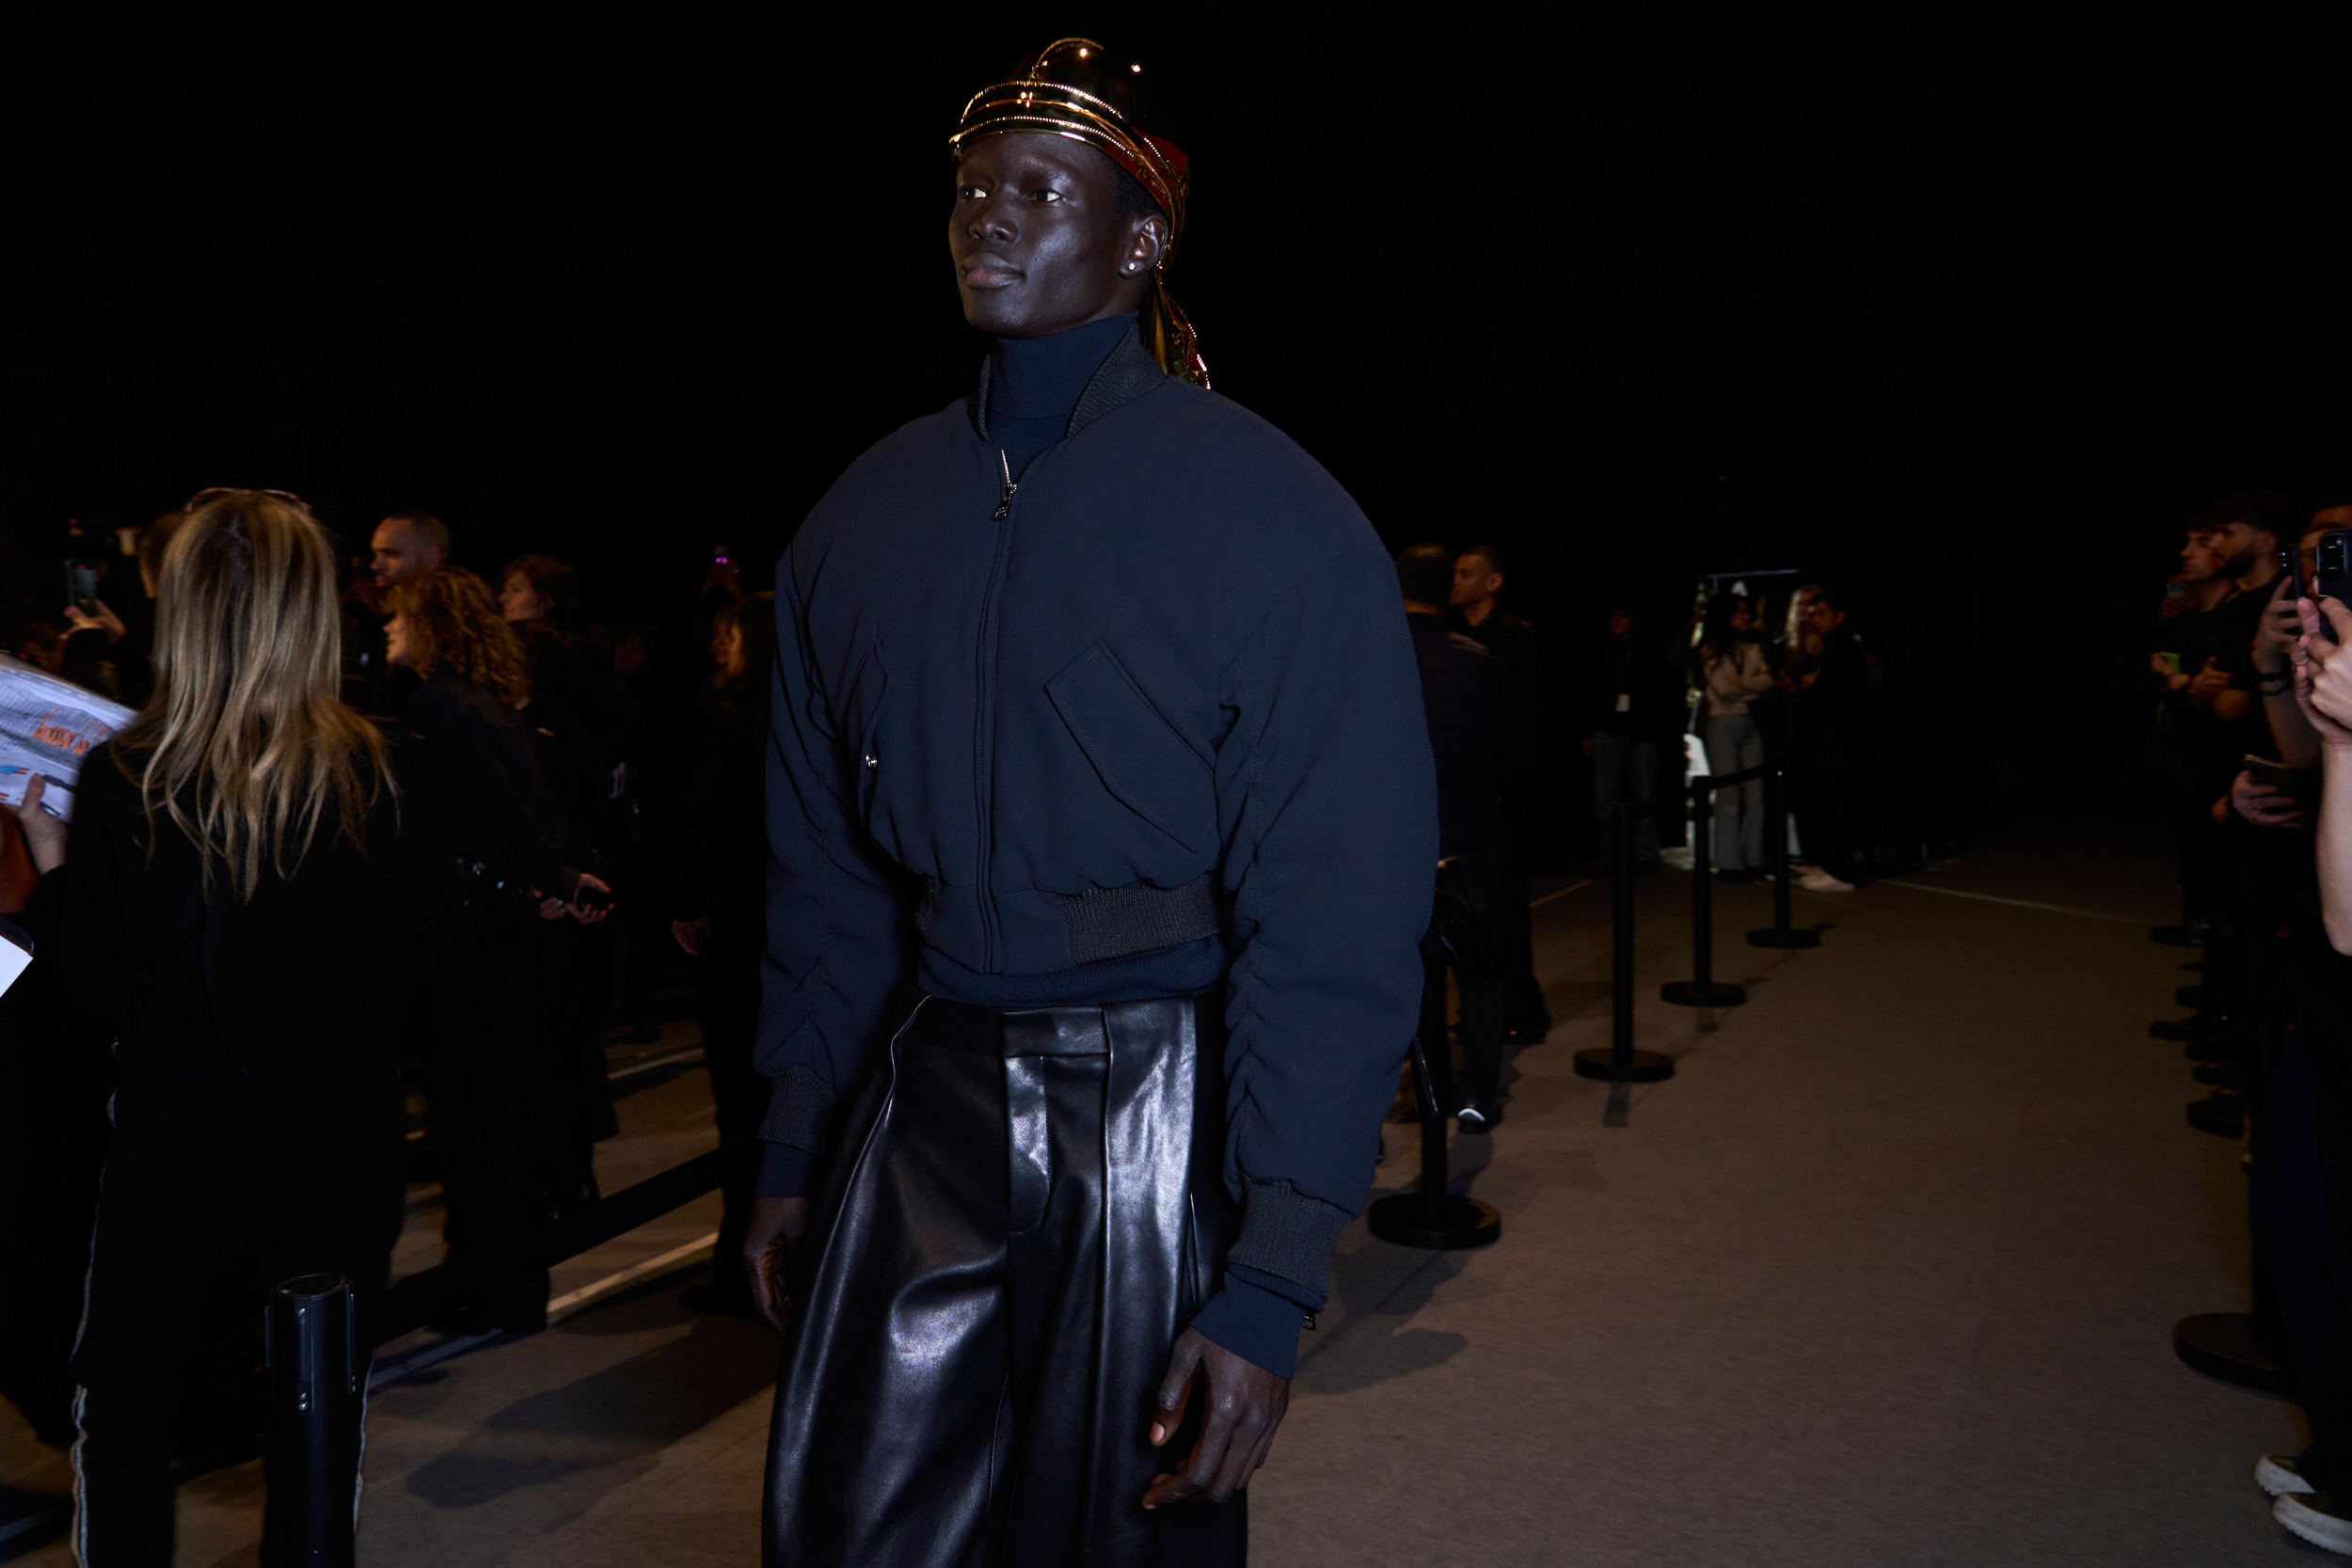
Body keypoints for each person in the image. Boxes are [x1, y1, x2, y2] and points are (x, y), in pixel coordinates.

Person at [744, 40, 1433, 1564]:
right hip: (924, 1086)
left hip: (1153, 1096)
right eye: (972, 187)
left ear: (1140, 239)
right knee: (845, 1523)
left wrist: (1273, 1270)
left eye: (1040, 190)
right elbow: (828, 878)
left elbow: (1336, 910)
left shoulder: (1275, 520)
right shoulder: (857, 523)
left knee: (1121, 1535)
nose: (990, 218)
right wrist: (795, 1140)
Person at [7, 489, 458, 1560]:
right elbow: (436, 962)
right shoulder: (386, 764)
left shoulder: (128, 776)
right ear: (311, 609)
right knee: (315, 1399)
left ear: (187, 611)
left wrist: (56, 869)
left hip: (179, 1129)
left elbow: (102, 985)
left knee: (121, 1395)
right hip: (339, 1126)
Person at [386, 567, 611, 1331]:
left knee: (474, 1122)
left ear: (431, 624)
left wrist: (553, 876)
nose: (388, 630)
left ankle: (495, 1287)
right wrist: (557, 877)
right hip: (510, 935)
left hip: (475, 943)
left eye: (400, 618)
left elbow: (495, 810)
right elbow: (528, 810)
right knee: (497, 1115)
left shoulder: (437, 702)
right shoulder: (484, 705)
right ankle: (496, 1281)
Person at [669, 593, 778, 1315]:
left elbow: (704, 829)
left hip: (739, 937)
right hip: (798, 933)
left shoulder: (729, 726)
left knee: (739, 1108)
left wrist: (687, 903)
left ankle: (743, 1266)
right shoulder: (815, 720)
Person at [1404, 546, 1507, 1128]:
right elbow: (1504, 751)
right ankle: (1478, 1095)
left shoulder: (1380, 659)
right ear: (1449, 592)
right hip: (1470, 837)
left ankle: (1429, 1087)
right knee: (1480, 970)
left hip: (1403, 847)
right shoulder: (1478, 659)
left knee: (1413, 974)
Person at [1450, 545, 1550, 1041]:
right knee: (1474, 907)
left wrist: (1504, 785)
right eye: (1454, 572)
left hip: (1502, 794)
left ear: (1493, 582)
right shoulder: (1459, 637)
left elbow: (1524, 721)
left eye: (1467, 573)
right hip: (1474, 793)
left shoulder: (1512, 638)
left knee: (1505, 904)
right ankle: (1491, 1007)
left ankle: (1523, 1008)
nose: (1456, 580)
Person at [1781, 584, 1870, 892]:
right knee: (1826, 803)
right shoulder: (1831, 647)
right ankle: (1831, 864)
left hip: (1837, 738)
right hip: (1826, 737)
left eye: (1821, 613)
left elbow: (1842, 691)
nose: (1814, 619)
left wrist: (1815, 684)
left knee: (1836, 804)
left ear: (1839, 616)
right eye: (1811, 614)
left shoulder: (1842, 647)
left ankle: (1840, 871)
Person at [1584, 601, 1681, 872]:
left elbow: (1655, 693)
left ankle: (1646, 854)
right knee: (1604, 798)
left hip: (1641, 730)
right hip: (1606, 729)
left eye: (1622, 616)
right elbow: (1588, 692)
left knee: (1645, 795)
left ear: (1633, 621)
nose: (1617, 621)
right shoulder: (1600, 650)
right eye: (1613, 615)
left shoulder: (1646, 651)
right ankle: (1609, 854)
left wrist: (1637, 726)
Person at [1695, 596, 1772, 879]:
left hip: (1750, 721)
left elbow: (1766, 682)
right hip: (1722, 722)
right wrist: (1751, 685)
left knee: (1755, 794)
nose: (1745, 615)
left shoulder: (1752, 645)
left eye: (1746, 611)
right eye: (1739, 611)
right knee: (1728, 794)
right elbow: (1723, 689)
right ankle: (1729, 862)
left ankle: (1753, 859)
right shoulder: (1711, 649)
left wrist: (1742, 683)